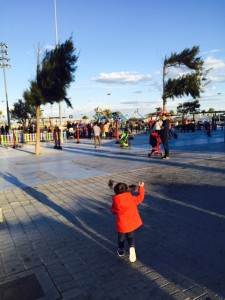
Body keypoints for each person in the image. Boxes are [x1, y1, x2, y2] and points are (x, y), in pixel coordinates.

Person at [109, 179, 145, 262]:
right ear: (126, 189)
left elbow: (113, 210)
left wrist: (114, 210)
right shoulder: (131, 198)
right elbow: (140, 198)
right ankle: (131, 247)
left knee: (121, 238)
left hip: (122, 224)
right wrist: (141, 187)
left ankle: (121, 251)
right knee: (130, 237)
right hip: (131, 223)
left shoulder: (116, 200)